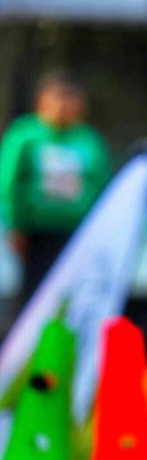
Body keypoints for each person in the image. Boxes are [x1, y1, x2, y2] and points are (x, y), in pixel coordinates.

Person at [0, 70, 111, 313]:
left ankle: (65, 346)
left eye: (70, 99)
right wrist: (14, 225)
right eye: (58, 98)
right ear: (42, 102)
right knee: (33, 294)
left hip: (77, 232)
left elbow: (101, 185)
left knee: (72, 293)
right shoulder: (25, 136)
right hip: (35, 232)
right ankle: (25, 348)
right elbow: (9, 182)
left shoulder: (88, 140)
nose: (64, 106)